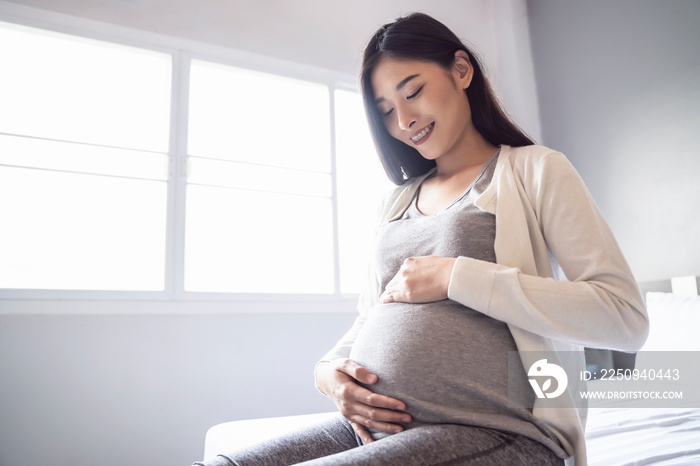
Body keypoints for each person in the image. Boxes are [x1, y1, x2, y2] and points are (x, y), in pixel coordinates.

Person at [194, 12, 648, 466]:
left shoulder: (534, 170)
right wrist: (328, 372)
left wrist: (458, 275)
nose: (404, 120)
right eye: (387, 110)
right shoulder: (396, 202)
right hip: (374, 429)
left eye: (413, 92)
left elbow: (624, 318)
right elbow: (370, 316)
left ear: (462, 70)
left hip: (496, 431)